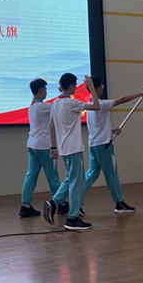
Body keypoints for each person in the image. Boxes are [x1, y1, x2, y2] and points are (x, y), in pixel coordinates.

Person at [84, 76, 143, 214]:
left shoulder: (89, 105)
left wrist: (111, 130)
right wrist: (140, 93)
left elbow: (97, 126)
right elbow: (122, 99)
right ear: (96, 88)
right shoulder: (101, 104)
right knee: (111, 175)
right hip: (104, 146)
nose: (103, 87)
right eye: (101, 85)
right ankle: (119, 203)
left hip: (94, 145)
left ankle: (76, 200)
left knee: (91, 174)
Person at [43, 73, 99, 231]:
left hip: (64, 148)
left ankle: (54, 202)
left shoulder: (55, 103)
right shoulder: (71, 103)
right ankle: (72, 218)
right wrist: (91, 87)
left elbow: (51, 126)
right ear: (72, 86)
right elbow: (96, 106)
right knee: (76, 182)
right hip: (74, 148)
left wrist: (53, 147)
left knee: (70, 178)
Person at [19, 78, 67, 217]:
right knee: (53, 176)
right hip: (44, 146)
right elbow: (60, 105)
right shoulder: (43, 107)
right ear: (40, 91)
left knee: (31, 175)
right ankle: (60, 203)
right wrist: (63, 92)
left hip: (32, 144)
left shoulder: (32, 106)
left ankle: (25, 205)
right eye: (45, 89)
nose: (46, 92)